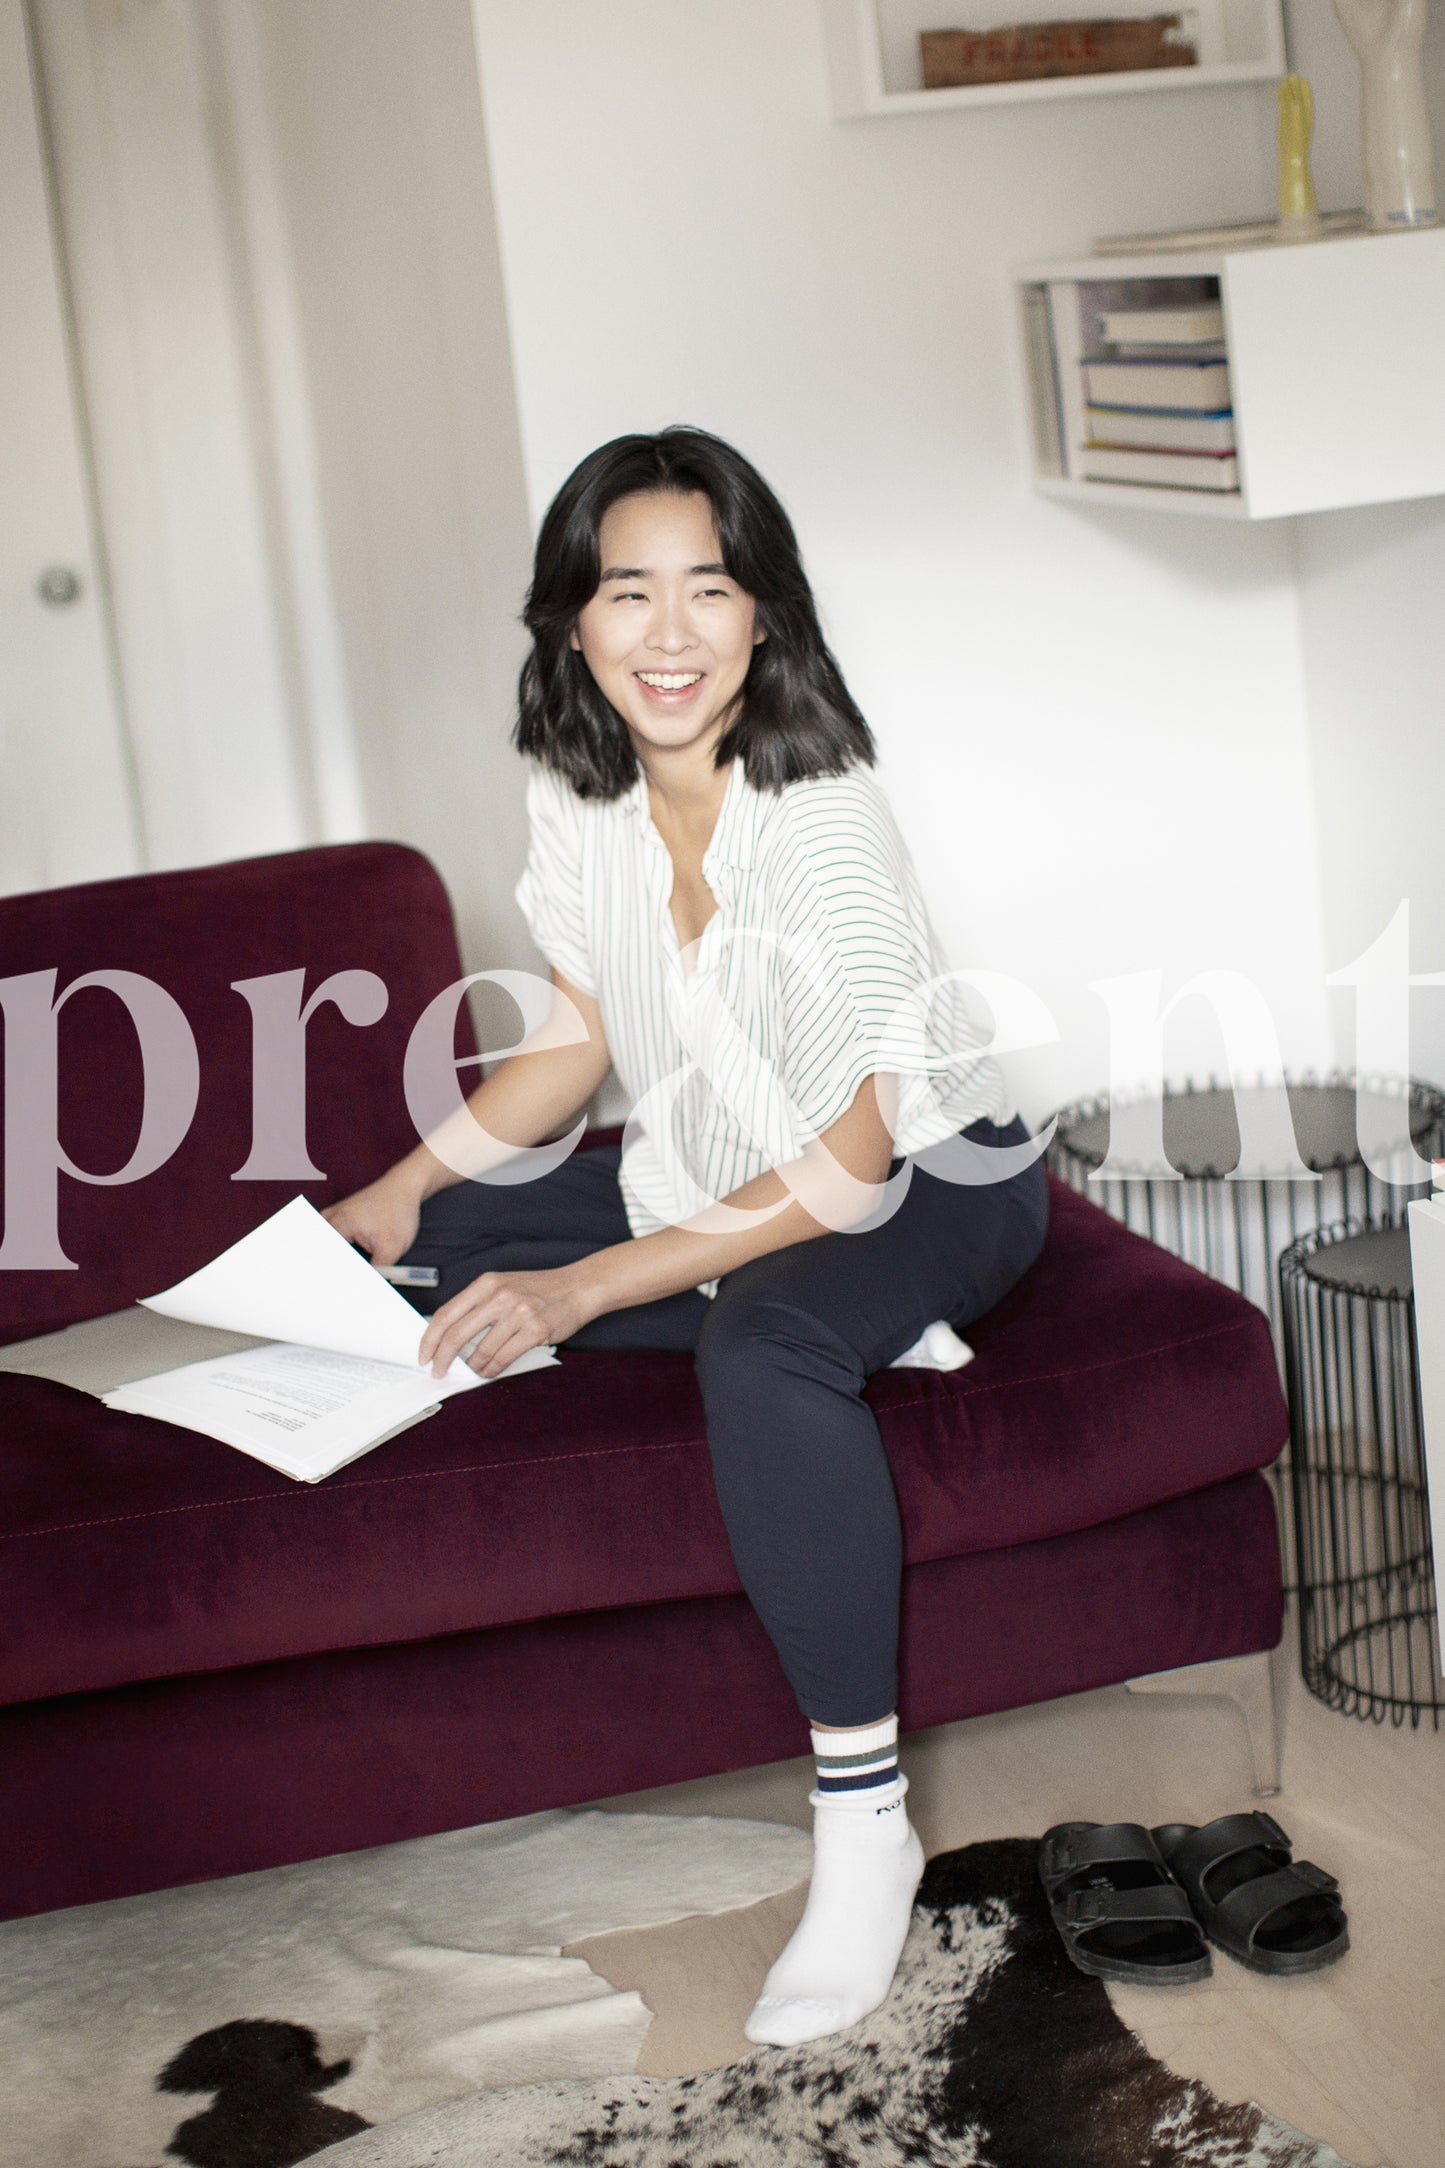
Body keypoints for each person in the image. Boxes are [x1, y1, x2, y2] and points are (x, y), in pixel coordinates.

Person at [324, 427, 1049, 2046]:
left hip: (920, 1176)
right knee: (389, 1272)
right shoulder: (577, 793)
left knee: (765, 1346)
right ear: (569, 622)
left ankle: (862, 1824)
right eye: (624, 590)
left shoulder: (821, 817)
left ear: (765, 616)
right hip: (709, 1165)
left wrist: (582, 1284)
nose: (667, 633)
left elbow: (855, 1153)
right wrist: (408, 1184)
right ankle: (803, 1310)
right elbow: (580, 1037)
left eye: (706, 590)